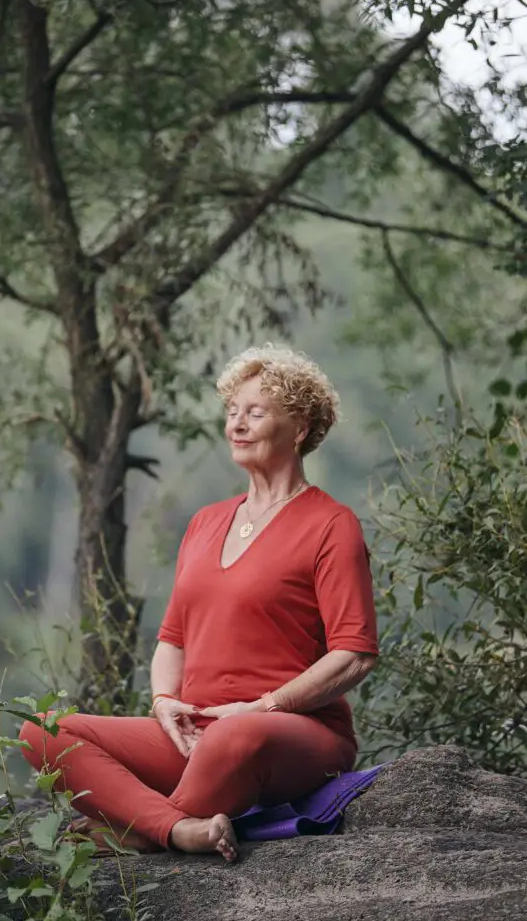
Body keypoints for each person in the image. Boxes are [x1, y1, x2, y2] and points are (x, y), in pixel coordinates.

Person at [20, 345, 378, 862]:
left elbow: (354, 654)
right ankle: (178, 828)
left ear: (300, 427)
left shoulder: (331, 525)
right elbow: (172, 640)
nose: (237, 424)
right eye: (232, 411)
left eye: (255, 412)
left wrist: (263, 706)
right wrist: (164, 703)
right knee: (42, 731)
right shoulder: (206, 522)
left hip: (289, 733)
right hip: (195, 736)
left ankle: (141, 829)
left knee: (236, 737)